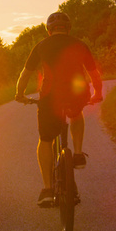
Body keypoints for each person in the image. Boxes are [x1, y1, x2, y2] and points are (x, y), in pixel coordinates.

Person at [15, 12, 103, 207]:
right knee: (76, 112)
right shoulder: (79, 44)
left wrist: (19, 93)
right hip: (76, 94)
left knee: (45, 139)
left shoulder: (41, 46)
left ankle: (47, 189)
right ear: (68, 28)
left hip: (50, 97)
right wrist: (97, 92)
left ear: (48, 30)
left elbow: (25, 74)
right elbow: (93, 73)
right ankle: (78, 154)